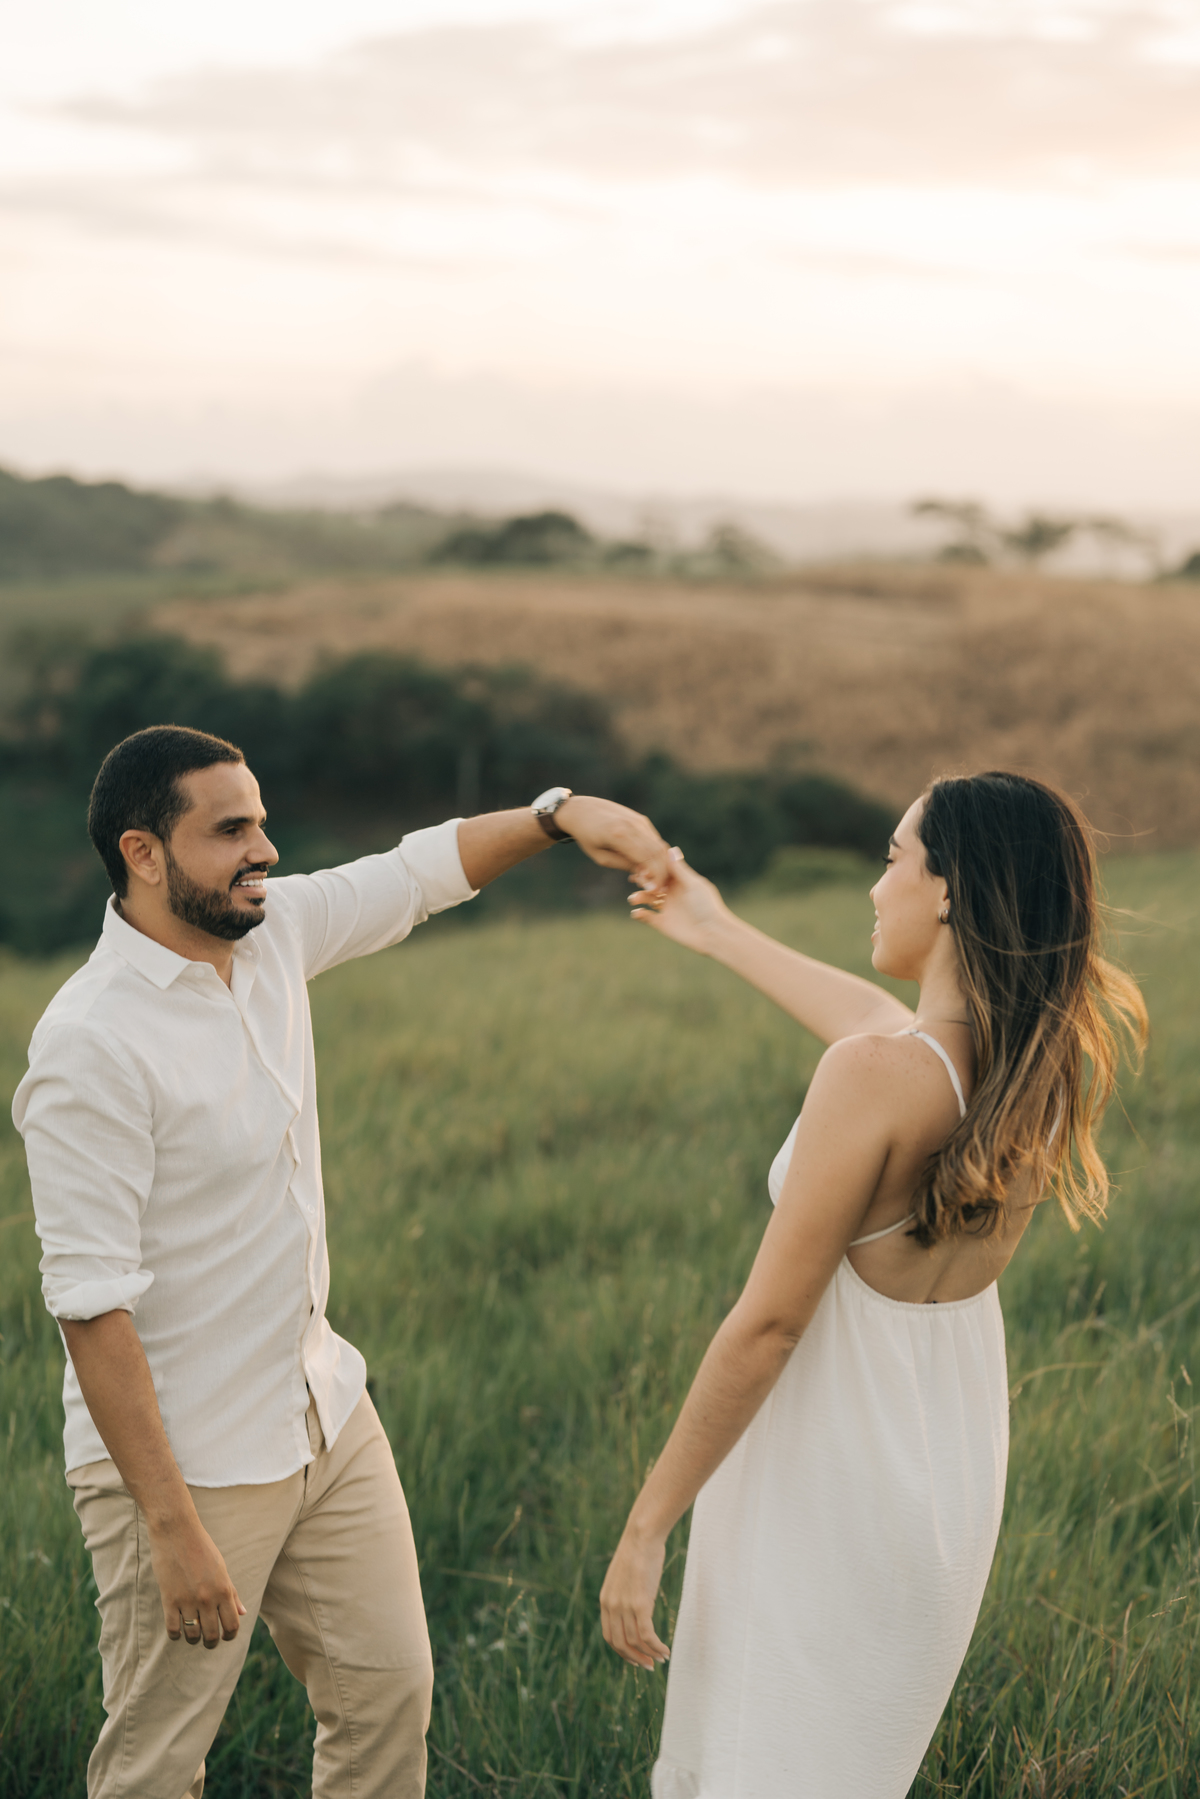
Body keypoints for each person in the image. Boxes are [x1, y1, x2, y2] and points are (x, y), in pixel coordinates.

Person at [12, 724, 672, 1799]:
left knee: (388, 1698)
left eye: (263, 821)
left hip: (323, 1411)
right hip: (187, 1465)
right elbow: (89, 1307)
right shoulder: (92, 1041)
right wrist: (171, 1528)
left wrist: (559, 812)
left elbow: (416, 872)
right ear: (143, 852)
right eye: (231, 830)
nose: (263, 849)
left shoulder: (271, 936)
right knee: (155, 1764)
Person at [599, 771, 1147, 1799]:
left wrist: (647, 1524)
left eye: (893, 857)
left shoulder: (881, 1074)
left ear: (947, 889)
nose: (875, 885)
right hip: (935, 1491)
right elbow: (870, 1022)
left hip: (822, 1489)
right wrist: (713, 925)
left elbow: (766, 1326)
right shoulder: (1024, 1064)